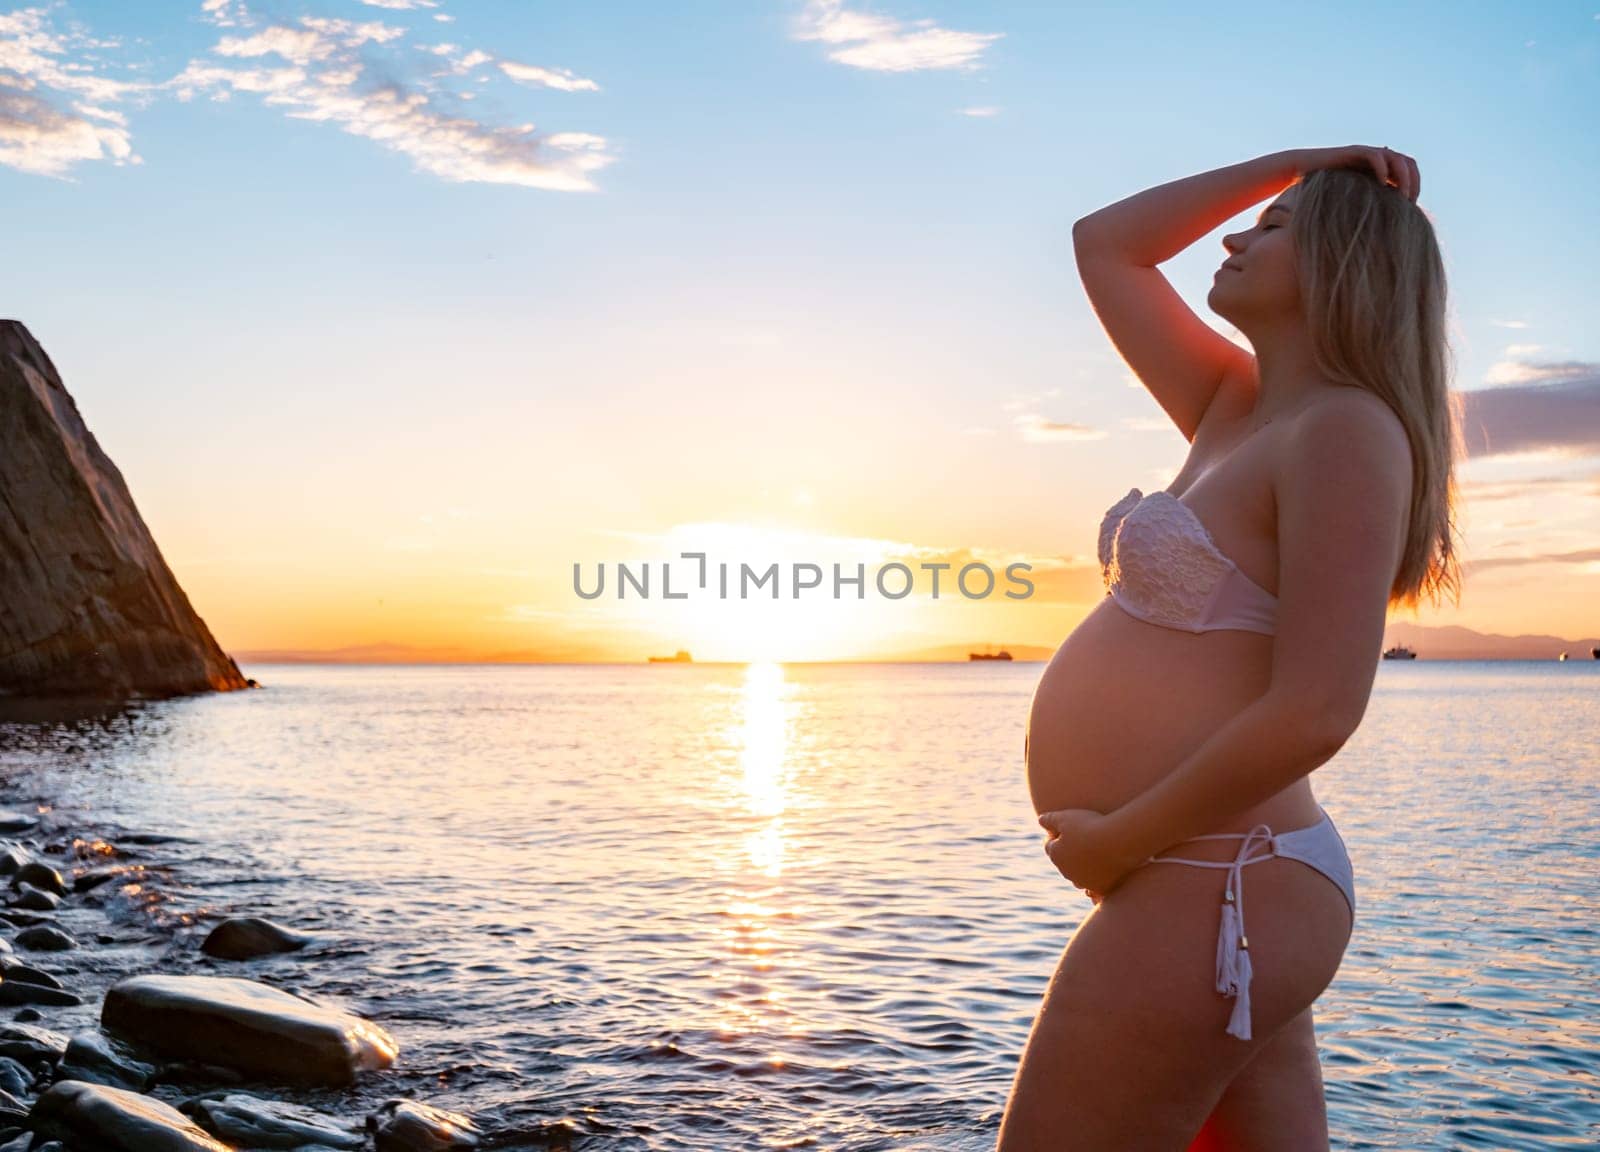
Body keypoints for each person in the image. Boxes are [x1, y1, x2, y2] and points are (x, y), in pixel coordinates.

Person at [999, 147, 1464, 1150]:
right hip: (1214, 879)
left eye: (1276, 226)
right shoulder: (1234, 404)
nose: (1235, 234)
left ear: (1346, 264)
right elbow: (1107, 246)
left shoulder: (1344, 431)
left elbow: (1317, 709)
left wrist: (1122, 840)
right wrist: (1303, 162)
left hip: (1219, 879)